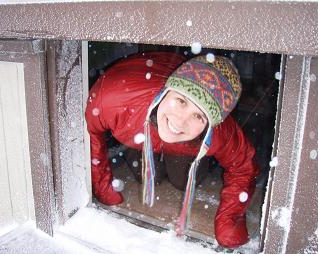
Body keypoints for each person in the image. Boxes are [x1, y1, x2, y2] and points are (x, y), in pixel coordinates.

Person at [85, 51, 259, 248]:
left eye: (199, 116)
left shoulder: (222, 133)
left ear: (211, 125)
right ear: (167, 91)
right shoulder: (113, 98)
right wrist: (102, 187)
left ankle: (185, 155)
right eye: (181, 101)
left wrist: (230, 221)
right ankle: (140, 149)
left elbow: (244, 166)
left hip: (185, 148)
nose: (180, 120)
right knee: (147, 177)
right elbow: (92, 134)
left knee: (182, 181)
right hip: (140, 128)